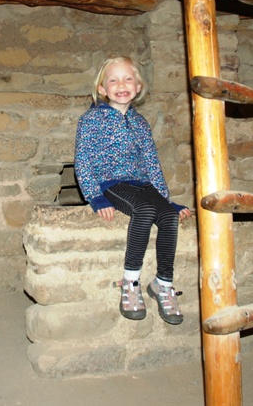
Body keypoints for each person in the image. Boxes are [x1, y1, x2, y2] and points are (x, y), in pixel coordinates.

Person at [74, 56, 191, 325]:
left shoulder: (140, 123)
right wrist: (95, 197)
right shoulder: (91, 120)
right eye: (113, 80)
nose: (121, 85)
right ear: (102, 89)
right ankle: (130, 282)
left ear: (138, 87)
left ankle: (163, 283)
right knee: (145, 210)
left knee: (168, 216)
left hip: (142, 184)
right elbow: (83, 160)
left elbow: (151, 163)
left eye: (128, 79)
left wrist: (167, 201)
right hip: (111, 183)